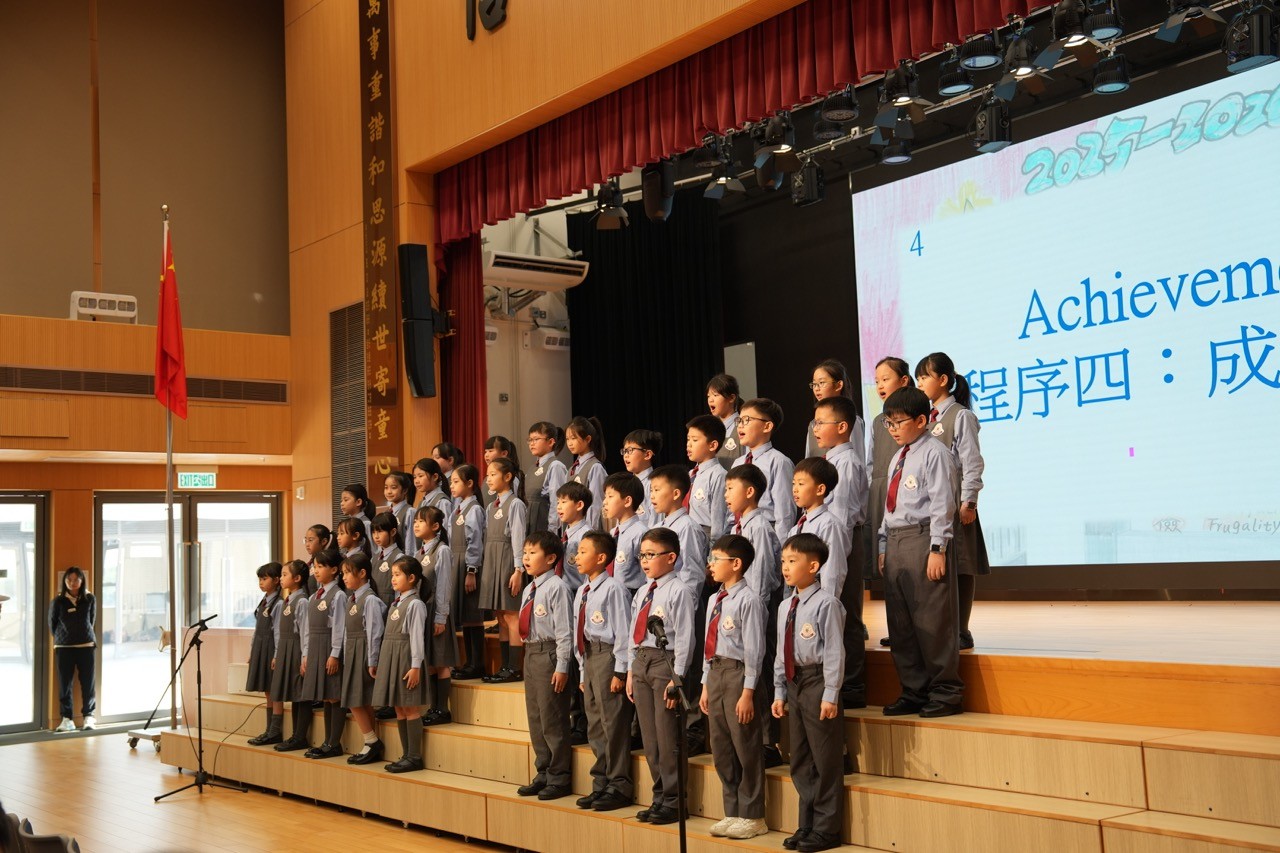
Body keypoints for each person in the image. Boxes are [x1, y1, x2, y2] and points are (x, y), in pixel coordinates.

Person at [878, 386, 963, 718]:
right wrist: (883, 546)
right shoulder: (899, 456)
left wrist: (938, 548)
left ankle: (946, 692)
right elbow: (890, 507)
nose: (893, 429)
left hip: (924, 537)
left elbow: (943, 505)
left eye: (899, 422)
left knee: (932, 619)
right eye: (888, 423)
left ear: (921, 420)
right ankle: (914, 690)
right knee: (900, 622)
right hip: (896, 540)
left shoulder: (935, 453)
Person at [772, 533, 845, 853]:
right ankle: (807, 823)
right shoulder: (785, 605)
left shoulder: (827, 603)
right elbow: (780, 651)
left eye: (793, 561)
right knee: (800, 757)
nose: (785, 567)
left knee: (824, 758)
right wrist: (779, 690)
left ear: (813, 566)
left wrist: (831, 693)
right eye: (783, 561)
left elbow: (834, 652)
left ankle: (826, 829)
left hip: (817, 681)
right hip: (794, 682)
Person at [916, 351, 990, 650]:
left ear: (944, 380)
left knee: (961, 563)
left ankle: (962, 630)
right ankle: (941, 628)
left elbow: (972, 462)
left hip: (957, 502)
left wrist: (969, 502)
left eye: (925, 377)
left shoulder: (961, 416)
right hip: (931, 503)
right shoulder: (926, 419)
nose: (920, 383)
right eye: (918, 378)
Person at [701, 534, 768, 840]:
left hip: (739, 674)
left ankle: (753, 815)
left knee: (745, 744)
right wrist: (705, 684)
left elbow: (754, 650)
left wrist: (748, 692)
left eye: (716, 559)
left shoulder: (749, 600)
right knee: (721, 746)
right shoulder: (715, 599)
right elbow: (708, 645)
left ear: (736, 564)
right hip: (716, 672)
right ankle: (732, 809)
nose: (711, 564)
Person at [627, 527, 695, 826]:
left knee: (668, 737)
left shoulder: (679, 591)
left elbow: (686, 637)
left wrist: (677, 677)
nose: (645, 561)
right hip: (642, 661)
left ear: (671, 557)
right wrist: (631, 670)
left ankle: (674, 800)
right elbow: (632, 632)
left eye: (651, 555)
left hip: (664, 663)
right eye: (642, 555)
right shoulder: (643, 591)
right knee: (650, 738)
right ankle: (659, 797)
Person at [724, 463, 785, 766]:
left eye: (730, 489)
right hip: (739, 607)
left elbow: (760, 576)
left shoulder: (758, 527)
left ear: (750, 492)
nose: (726, 495)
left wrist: (754, 614)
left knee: (762, 670)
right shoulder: (738, 527)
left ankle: (769, 742)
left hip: (758, 608)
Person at [812, 393, 870, 705]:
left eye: (822, 423)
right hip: (826, 543)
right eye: (815, 423)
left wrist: (835, 560)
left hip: (842, 544)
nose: (816, 429)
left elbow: (844, 517)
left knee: (845, 613)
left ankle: (852, 686)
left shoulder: (846, 463)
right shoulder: (829, 461)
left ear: (843, 426)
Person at [571, 531, 634, 812]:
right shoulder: (583, 590)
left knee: (613, 722)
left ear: (601, 558)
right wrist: (582, 671)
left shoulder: (614, 589)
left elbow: (623, 632)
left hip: (608, 656)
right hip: (590, 657)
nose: (577, 557)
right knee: (595, 722)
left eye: (583, 551)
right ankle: (601, 782)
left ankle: (619, 785)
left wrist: (620, 672)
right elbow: (580, 633)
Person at [515, 531, 573, 801]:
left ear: (550, 558)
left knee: (552, 717)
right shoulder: (530, 588)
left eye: (532, 553)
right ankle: (543, 772)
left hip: (549, 653)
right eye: (524, 553)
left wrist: (562, 666)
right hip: (531, 653)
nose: (526, 558)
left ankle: (559, 776)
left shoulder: (557, 587)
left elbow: (564, 631)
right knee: (536, 717)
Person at [869, 357, 913, 647]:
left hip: (909, 497)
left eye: (885, 379)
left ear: (904, 381)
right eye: (876, 381)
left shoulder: (918, 416)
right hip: (883, 493)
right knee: (888, 567)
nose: (880, 386)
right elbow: (871, 462)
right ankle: (897, 629)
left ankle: (913, 631)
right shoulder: (877, 421)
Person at [372, 556, 429, 773]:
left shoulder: (415, 604)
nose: (393, 579)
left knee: (410, 707)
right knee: (399, 707)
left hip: (406, 660)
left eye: (397, 575)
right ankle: (406, 754)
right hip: (391, 658)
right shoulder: (397, 602)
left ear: (411, 578)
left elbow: (417, 637)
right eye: (392, 575)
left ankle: (414, 757)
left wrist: (415, 666)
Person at [480, 457, 528, 683]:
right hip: (492, 562)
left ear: (507, 477)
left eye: (493, 474)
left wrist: (518, 570)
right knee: (500, 615)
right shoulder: (491, 506)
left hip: (508, 562)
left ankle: (515, 667)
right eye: (487, 475)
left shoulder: (515, 504)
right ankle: (504, 666)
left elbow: (519, 538)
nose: (488, 479)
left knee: (511, 614)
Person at [299, 548, 348, 759]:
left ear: (334, 570)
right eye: (315, 567)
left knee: (334, 695)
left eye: (321, 567)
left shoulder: (338, 595)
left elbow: (339, 627)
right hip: (316, 648)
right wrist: (305, 654)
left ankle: (334, 743)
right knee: (326, 696)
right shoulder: (313, 597)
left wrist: (335, 654)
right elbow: (307, 630)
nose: (316, 571)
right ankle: (327, 741)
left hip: (329, 647)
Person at [340, 553, 387, 765]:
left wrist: (372, 660)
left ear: (362, 573)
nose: (344, 577)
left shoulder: (370, 600)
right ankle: (370, 742)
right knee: (360, 699)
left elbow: (374, 633)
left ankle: (371, 741)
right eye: (343, 573)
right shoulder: (352, 599)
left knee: (355, 699)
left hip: (364, 652)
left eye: (348, 573)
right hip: (352, 651)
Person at [413, 505, 458, 724]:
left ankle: (442, 710)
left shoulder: (442, 550)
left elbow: (444, 586)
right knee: (429, 660)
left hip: (437, 611)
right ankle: (433, 707)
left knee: (441, 661)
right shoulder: (418, 552)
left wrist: (441, 616)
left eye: (421, 521)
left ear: (436, 526)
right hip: (423, 612)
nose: (416, 525)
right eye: (415, 521)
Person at [732, 398, 797, 542]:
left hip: (766, 534)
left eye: (747, 420)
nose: (740, 425)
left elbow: (784, 513)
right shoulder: (738, 463)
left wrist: (780, 548)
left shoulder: (779, 462)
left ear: (767, 426)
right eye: (739, 420)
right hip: (739, 532)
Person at [449, 464, 488, 679]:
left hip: (468, 566)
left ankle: (477, 663)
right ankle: (469, 661)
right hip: (456, 564)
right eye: (451, 482)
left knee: (473, 615)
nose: (452, 486)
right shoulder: (457, 509)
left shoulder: (474, 509)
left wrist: (471, 571)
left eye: (456, 482)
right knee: (465, 616)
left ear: (470, 483)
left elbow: (475, 542)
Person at [269, 561, 311, 751]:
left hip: (297, 650)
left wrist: (305, 656)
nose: (281, 578)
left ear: (297, 578)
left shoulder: (302, 601)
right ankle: (295, 735)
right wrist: (278, 654)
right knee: (294, 694)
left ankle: (300, 736)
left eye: (285, 575)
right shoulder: (288, 600)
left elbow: (305, 631)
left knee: (301, 694)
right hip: (286, 649)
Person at [49, 566, 96, 732]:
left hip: (86, 646)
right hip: (64, 647)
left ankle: (89, 717)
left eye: (76, 579)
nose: (72, 582)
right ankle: (67, 719)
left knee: (88, 683)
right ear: (65, 581)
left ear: (82, 581)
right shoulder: (58, 601)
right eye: (69, 579)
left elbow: (91, 620)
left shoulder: (89, 598)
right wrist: (63, 637)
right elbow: (52, 624)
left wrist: (83, 635)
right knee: (65, 684)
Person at [246, 562, 284, 745]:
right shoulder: (263, 601)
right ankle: (269, 729)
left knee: (274, 690)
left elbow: (278, 632)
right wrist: (252, 651)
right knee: (267, 691)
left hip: (271, 648)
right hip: (260, 647)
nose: (261, 582)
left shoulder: (279, 604)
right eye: (259, 579)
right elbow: (256, 630)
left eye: (264, 578)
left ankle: (275, 730)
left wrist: (276, 655)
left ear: (276, 580)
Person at [804, 359, 866, 459]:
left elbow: (857, 457)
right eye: (814, 384)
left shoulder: (853, 421)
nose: (816, 388)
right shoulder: (813, 425)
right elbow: (809, 459)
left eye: (821, 382)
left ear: (838, 385)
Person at [685, 414, 729, 541]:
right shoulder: (690, 474)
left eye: (694, 440)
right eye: (688, 439)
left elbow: (718, 519)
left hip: (706, 537)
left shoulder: (719, 475)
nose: (689, 445)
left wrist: (714, 547)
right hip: (687, 534)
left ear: (712, 445)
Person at [603, 472, 647, 593]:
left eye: (610, 496)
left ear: (627, 501)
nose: (605, 502)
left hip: (630, 594)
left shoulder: (641, 533)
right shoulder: (612, 533)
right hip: (610, 593)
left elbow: (647, 574)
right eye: (605, 497)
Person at [526, 421, 569, 534]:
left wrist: (552, 531)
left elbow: (556, 502)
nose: (532, 443)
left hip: (544, 529)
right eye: (530, 440)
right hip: (529, 527)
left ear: (550, 442)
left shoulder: (555, 466)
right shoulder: (532, 468)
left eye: (536, 439)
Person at [565, 416, 607, 529]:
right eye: (567, 439)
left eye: (573, 438)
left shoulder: (595, 467)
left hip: (587, 530)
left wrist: (589, 533)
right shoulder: (571, 469)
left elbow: (595, 504)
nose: (569, 443)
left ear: (588, 439)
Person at [555, 481, 593, 595]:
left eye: (563, 502)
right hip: (563, 592)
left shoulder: (587, 535)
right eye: (558, 502)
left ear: (579, 505)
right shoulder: (566, 533)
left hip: (578, 593)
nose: (559, 507)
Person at [411, 457, 454, 554]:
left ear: (435, 477)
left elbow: (446, 532)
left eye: (420, 476)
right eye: (415, 477)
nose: (416, 481)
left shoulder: (442, 502)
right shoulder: (422, 502)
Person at [621, 429, 662, 528]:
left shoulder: (653, 484)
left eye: (630, 450)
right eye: (624, 451)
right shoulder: (626, 484)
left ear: (647, 454)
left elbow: (656, 523)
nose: (626, 455)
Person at [706, 373, 743, 469]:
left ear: (731, 398)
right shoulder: (709, 429)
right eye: (708, 396)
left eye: (715, 395)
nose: (710, 400)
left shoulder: (743, 427)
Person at [370, 511, 406, 607]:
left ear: (393, 532)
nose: (376, 536)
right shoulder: (374, 558)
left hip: (390, 607)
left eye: (380, 531)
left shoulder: (399, 557)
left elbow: (400, 591)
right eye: (373, 532)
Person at [482, 435, 522, 506]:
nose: (486, 455)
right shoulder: (487, 479)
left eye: (490, 451)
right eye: (486, 451)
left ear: (504, 453)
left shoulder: (512, 479)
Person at [383, 470, 416, 546]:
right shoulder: (386, 513)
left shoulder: (410, 512)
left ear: (405, 490)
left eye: (393, 488)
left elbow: (411, 543)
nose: (389, 492)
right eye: (386, 487)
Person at [302, 523, 332, 594]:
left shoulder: (330, 562)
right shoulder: (309, 565)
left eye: (310, 540)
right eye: (306, 540)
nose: (307, 544)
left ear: (324, 541)